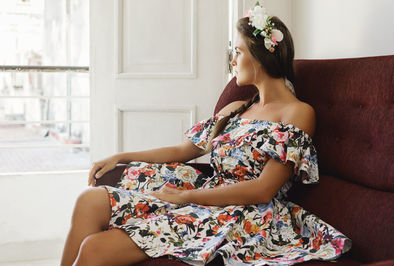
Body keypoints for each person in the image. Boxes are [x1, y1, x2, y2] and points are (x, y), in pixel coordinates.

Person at [61, 3, 352, 265]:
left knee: (94, 249)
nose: (233, 60)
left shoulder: (297, 113)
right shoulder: (237, 108)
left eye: (237, 52)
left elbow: (263, 189)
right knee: (88, 201)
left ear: (261, 57)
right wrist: (120, 156)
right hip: (206, 194)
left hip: (242, 213)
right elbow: (182, 151)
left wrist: (187, 197)